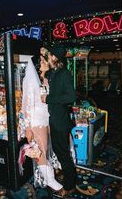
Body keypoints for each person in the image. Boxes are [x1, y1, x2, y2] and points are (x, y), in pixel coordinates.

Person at [21, 52, 63, 192]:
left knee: (49, 146)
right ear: (37, 66)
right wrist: (27, 127)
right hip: (36, 120)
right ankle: (50, 180)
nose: (46, 62)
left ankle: (52, 172)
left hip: (47, 116)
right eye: (43, 61)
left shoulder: (45, 78)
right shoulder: (29, 80)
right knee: (41, 151)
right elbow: (26, 105)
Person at [41, 44, 77, 198]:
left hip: (61, 121)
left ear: (55, 58)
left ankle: (70, 186)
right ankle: (68, 176)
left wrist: (48, 99)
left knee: (63, 155)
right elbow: (45, 72)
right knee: (59, 151)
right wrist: (42, 55)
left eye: (49, 55)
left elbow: (71, 97)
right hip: (55, 120)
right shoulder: (54, 72)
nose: (48, 57)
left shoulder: (64, 74)